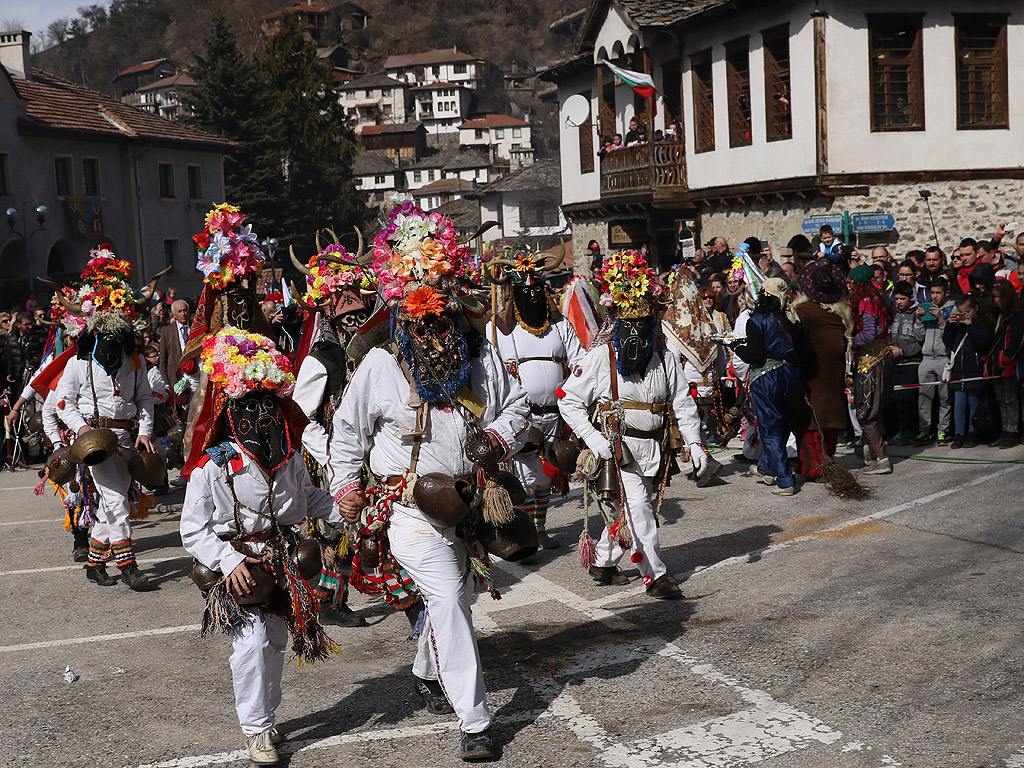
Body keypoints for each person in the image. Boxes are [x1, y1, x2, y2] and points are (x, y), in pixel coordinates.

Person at [329, 201, 529, 762]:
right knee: (445, 598)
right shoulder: (379, 367)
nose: (434, 328)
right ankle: (476, 720)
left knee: (459, 597)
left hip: (468, 505)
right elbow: (347, 434)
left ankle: (424, 668)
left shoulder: (479, 356)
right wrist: (346, 487)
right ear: (401, 312)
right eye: (421, 316)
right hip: (409, 510)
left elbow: (517, 409)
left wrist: (496, 440)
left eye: (441, 315)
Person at [180, 328, 343, 767]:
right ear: (232, 413)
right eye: (248, 408)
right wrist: (229, 559)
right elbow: (192, 531)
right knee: (251, 645)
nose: (261, 417)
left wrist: (349, 508)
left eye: (268, 406)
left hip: (284, 561)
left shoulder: (290, 458)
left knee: (272, 641)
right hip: (235, 567)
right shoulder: (212, 467)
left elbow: (310, 500)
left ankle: (265, 717)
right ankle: (255, 729)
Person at [559, 249, 706, 594]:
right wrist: (594, 440)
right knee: (640, 510)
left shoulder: (664, 357)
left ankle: (602, 561)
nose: (637, 332)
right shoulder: (600, 357)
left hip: (655, 447)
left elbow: (682, 401)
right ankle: (656, 576)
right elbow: (568, 401)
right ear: (618, 324)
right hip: (618, 448)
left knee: (636, 513)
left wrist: (695, 442)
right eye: (631, 325)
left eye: (644, 324)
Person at [53, 247, 160, 590]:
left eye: (120, 340)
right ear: (95, 336)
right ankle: (129, 566)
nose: (114, 347)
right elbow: (62, 403)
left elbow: (144, 399)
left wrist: (144, 431)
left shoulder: (135, 362)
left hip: (129, 441)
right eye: (108, 340)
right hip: (95, 444)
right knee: (116, 500)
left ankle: (95, 562)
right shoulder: (78, 364)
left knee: (113, 504)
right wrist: (83, 430)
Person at [289, 238, 375, 627]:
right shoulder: (320, 359)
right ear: (331, 319)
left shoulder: (376, 353)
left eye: (360, 317)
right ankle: (329, 599)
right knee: (339, 530)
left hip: (367, 452)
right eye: (347, 320)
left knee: (357, 530)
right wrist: (328, 453)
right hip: (331, 455)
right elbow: (299, 416)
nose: (355, 326)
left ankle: (329, 596)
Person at [486, 245, 585, 549]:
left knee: (546, 474)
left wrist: (577, 390)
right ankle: (524, 531)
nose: (531, 296)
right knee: (525, 475)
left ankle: (540, 528)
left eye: (537, 289)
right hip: (521, 415)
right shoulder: (499, 330)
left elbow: (580, 360)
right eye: (523, 291)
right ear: (512, 295)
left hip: (555, 413)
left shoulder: (559, 326)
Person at [731, 278, 802, 495]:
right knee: (783, 424)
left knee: (770, 428)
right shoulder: (791, 318)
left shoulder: (758, 320)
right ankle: (767, 468)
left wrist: (734, 346)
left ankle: (785, 480)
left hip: (767, 377)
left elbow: (755, 354)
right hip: (791, 374)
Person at [793, 260, 852, 481]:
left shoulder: (802, 311)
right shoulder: (841, 314)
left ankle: (815, 466)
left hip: (811, 376)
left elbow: (796, 345)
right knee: (828, 418)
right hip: (831, 377)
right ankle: (824, 462)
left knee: (811, 420)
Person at [848, 264, 894, 474]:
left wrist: (847, 341)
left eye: (851, 283)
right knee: (865, 409)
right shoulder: (878, 297)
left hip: (871, 360)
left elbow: (867, 335)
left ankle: (882, 459)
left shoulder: (867, 302)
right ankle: (867, 452)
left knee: (866, 412)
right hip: (878, 357)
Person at [943, 294, 992, 449]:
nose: (964, 315)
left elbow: (982, 343)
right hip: (958, 371)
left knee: (973, 403)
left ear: (975, 308)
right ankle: (959, 433)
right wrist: (950, 325)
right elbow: (947, 341)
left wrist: (971, 325)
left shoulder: (981, 323)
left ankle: (973, 432)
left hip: (974, 370)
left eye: (967, 311)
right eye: (961, 311)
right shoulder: (958, 326)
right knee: (959, 403)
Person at [914, 277, 953, 446]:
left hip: (944, 358)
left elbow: (950, 338)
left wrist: (941, 320)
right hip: (926, 358)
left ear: (946, 293)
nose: (935, 296)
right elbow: (919, 337)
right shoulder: (926, 308)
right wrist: (917, 320)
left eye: (938, 293)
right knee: (924, 397)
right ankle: (924, 431)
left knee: (944, 398)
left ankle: (942, 431)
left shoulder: (952, 308)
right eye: (933, 293)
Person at [987, 280, 1024, 447]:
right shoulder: (997, 316)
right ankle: (1004, 429)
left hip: (1010, 366)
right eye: (994, 297)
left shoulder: (1016, 316)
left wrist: (1005, 358)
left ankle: (1012, 430)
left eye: (999, 297)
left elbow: (1017, 341)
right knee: (1001, 399)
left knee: (1010, 399)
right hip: (997, 366)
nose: (996, 301)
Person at [888, 282, 924, 445]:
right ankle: (901, 430)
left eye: (903, 299)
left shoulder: (917, 313)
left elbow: (920, 339)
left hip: (912, 362)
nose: (899, 302)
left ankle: (912, 430)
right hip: (896, 363)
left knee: (908, 397)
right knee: (897, 398)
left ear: (911, 297)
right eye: (896, 299)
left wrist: (902, 351)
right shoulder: (893, 314)